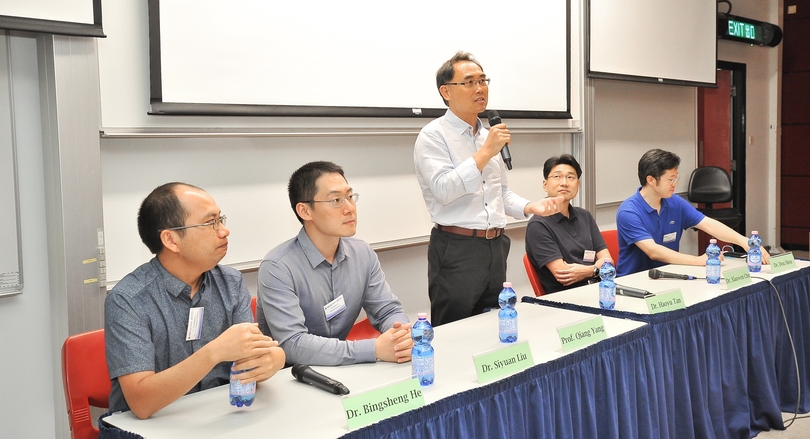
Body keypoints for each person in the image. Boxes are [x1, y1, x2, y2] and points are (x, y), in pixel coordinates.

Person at [104, 183, 285, 419]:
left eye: (221, 220)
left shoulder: (231, 282)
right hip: (148, 427)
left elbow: (249, 358)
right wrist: (214, 352)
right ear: (171, 240)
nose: (224, 231)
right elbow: (141, 403)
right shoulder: (128, 300)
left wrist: (274, 360)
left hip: (214, 416)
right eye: (211, 223)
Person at [414, 51, 563, 326]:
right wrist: (485, 151)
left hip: (496, 246)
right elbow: (444, 190)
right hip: (457, 249)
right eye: (469, 82)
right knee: (454, 332)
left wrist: (531, 207)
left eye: (483, 81)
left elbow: (499, 193)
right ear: (446, 91)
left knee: (495, 327)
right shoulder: (433, 136)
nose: (480, 88)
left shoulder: (487, 136)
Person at [257, 161, 412, 367]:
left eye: (350, 197)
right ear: (305, 211)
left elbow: (387, 310)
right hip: (291, 377)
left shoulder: (362, 253)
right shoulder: (277, 267)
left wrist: (400, 335)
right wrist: (373, 349)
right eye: (336, 200)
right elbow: (293, 344)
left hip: (343, 369)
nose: (349, 208)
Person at [615, 149, 770, 276]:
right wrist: (698, 261)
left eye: (676, 178)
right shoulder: (629, 211)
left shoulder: (674, 202)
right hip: (633, 281)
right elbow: (653, 251)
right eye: (671, 179)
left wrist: (744, 242)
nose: (675, 184)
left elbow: (709, 225)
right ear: (651, 180)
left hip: (668, 275)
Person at [525, 154, 612, 294]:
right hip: (567, 298)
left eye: (570, 177)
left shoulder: (585, 216)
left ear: (578, 185)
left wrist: (590, 270)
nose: (564, 183)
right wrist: (597, 269)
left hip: (600, 289)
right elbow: (564, 275)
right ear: (545, 185)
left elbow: (608, 261)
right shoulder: (538, 225)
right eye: (557, 177)